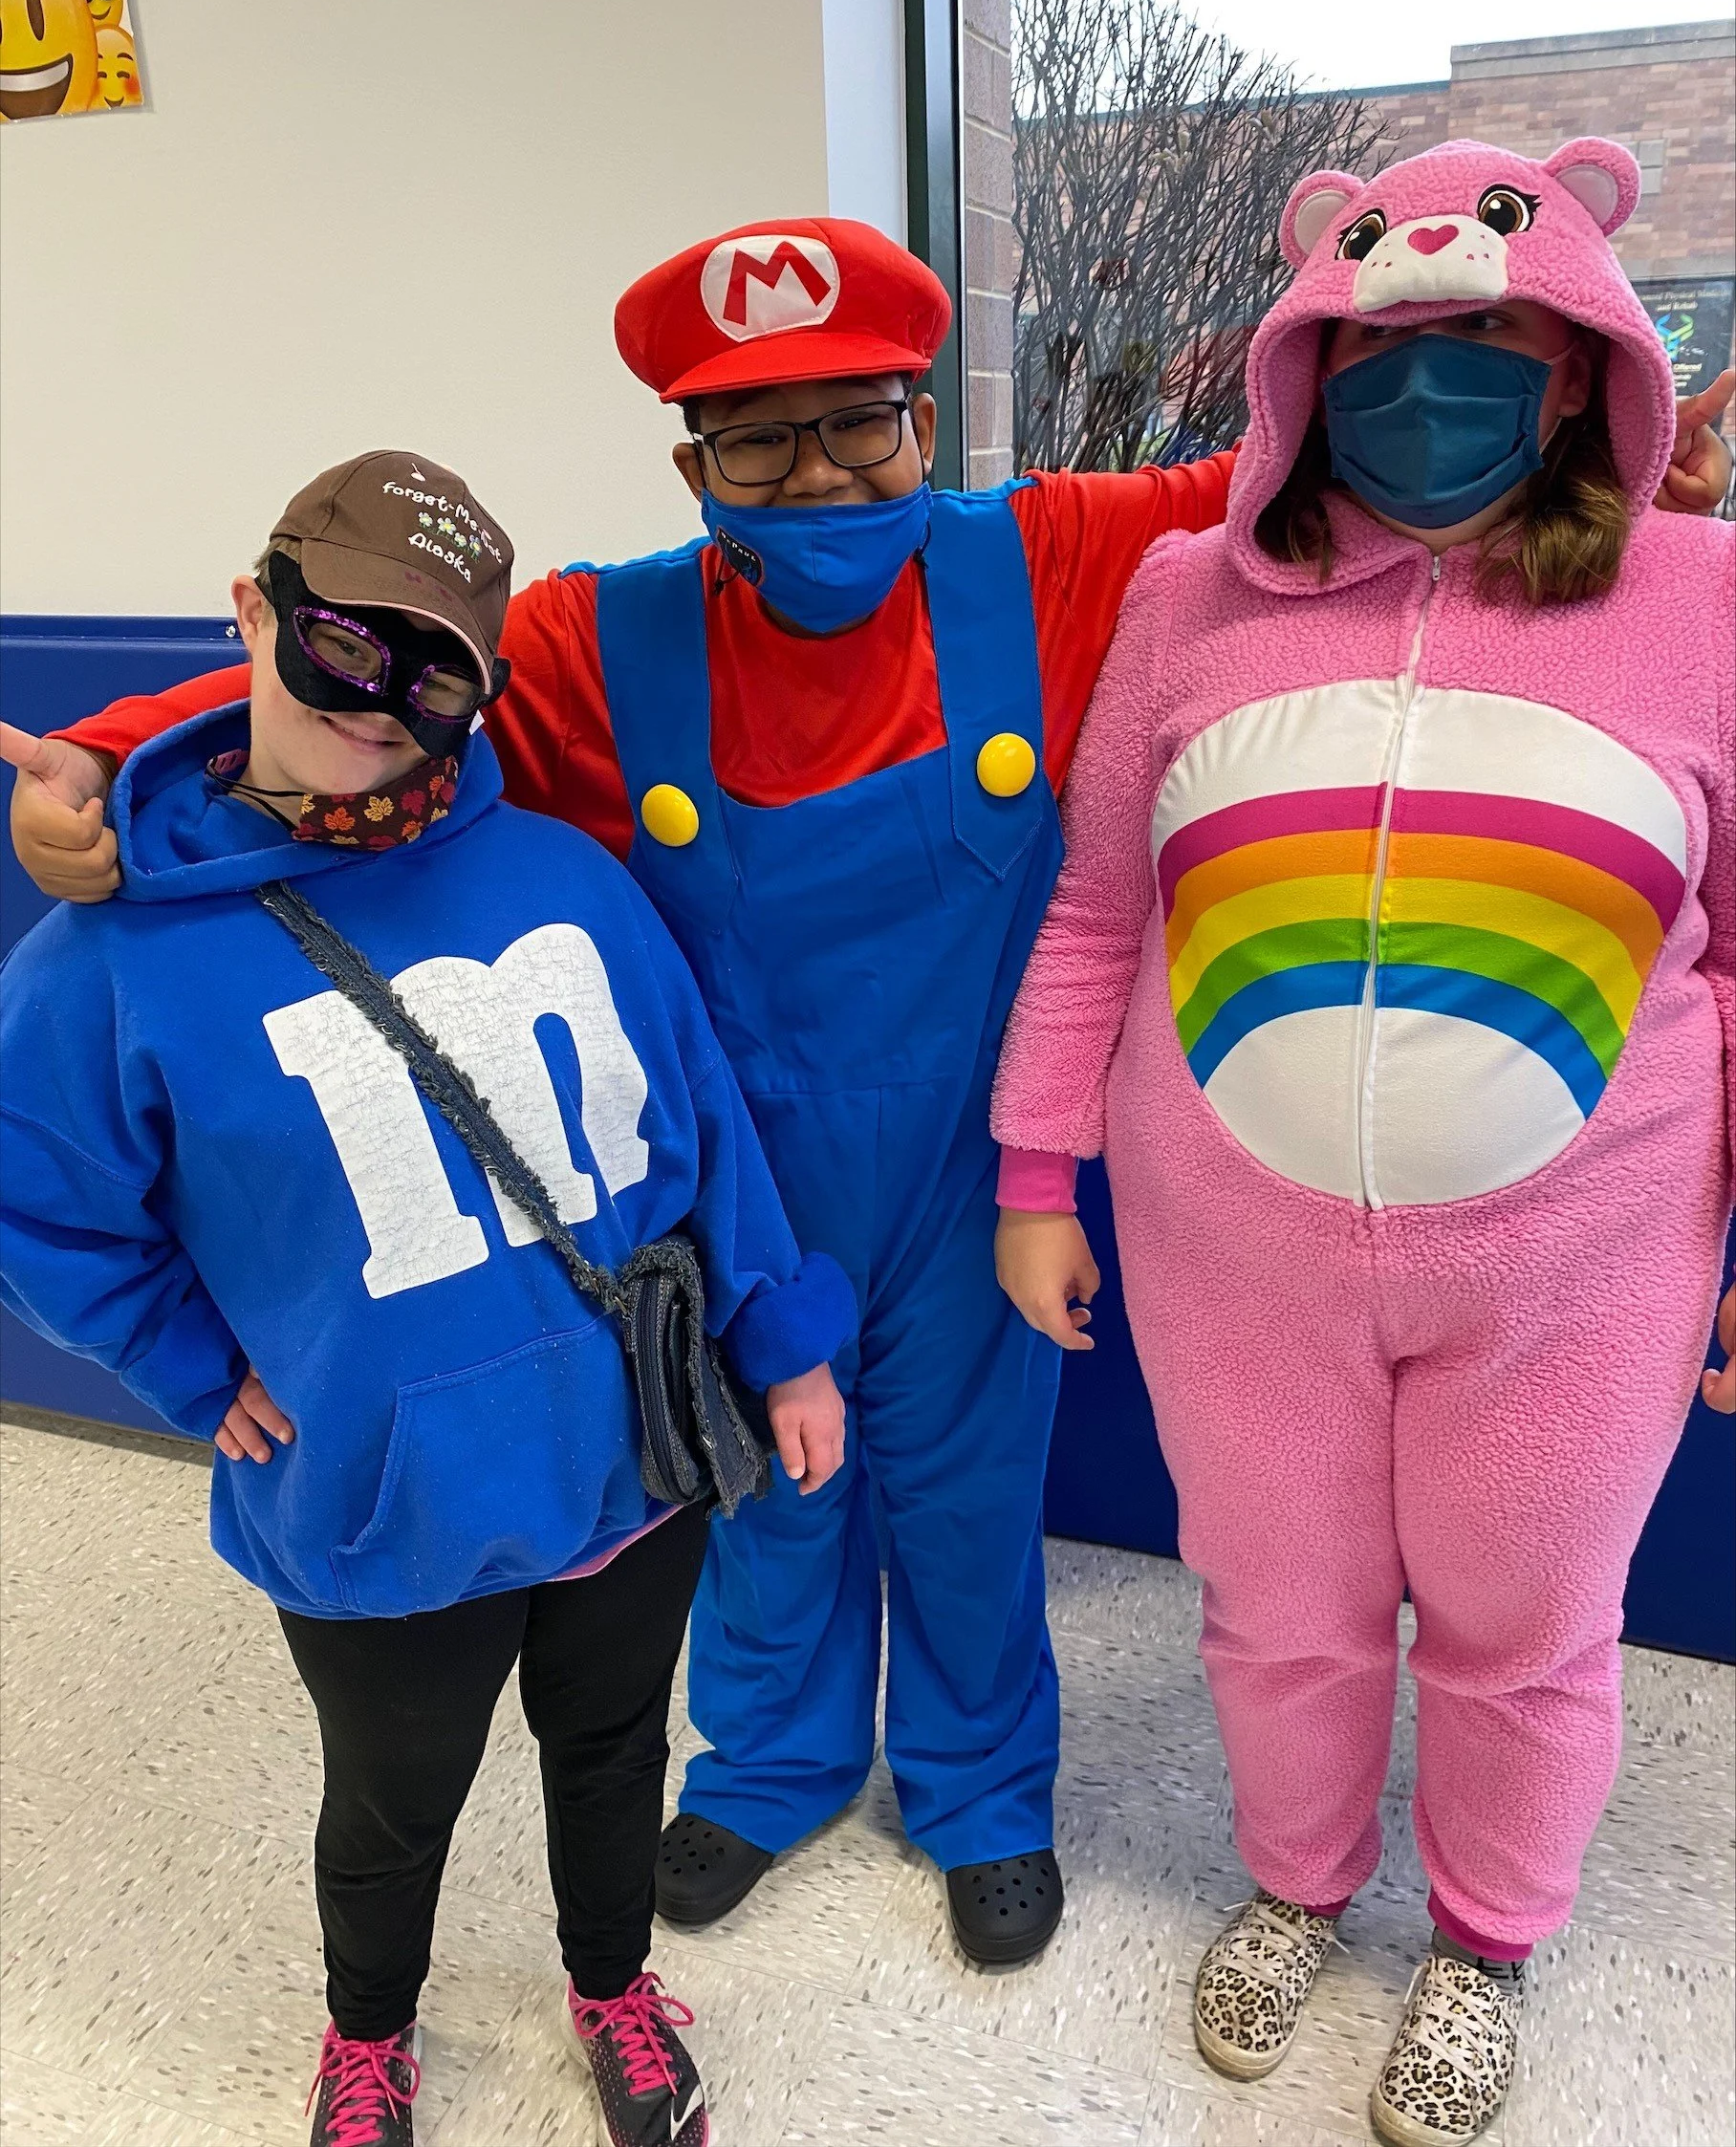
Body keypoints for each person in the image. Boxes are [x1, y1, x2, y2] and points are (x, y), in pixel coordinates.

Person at [4, 219, 1726, 1970]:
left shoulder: (1057, 553)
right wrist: (112, 751)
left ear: (926, 421)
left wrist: (1605, 465)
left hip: (975, 1164)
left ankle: (981, 1788)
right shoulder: (599, 633)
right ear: (692, 465)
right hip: (737, 1169)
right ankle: (772, 1761)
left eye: (861, 426)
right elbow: (369, 658)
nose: (820, 477)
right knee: (763, 1487)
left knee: (972, 1489)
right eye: (759, 442)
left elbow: (1322, 468)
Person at [989, 139, 1735, 2147]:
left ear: (1577, 365)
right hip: (1234, 1241)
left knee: (1525, 1623)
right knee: (1274, 1603)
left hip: (1584, 1254)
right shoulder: (1186, 592)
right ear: (1306, 362)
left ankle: (1486, 1940)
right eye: (1381, 342)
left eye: (1489, 332)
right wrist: (1034, 1174)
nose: (1428, 378)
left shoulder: (1703, 597)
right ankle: (1298, 1884)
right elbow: (1097, 910)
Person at [0, 451, 855, 2147]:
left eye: (434, 677)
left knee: (612, 1751)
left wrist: (784, 1343)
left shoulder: (570, 878)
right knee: (394, 1806)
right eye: (343, 644)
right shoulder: (104, 964)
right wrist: (186, 1365)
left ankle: (613, 1984)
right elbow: (43, 1203)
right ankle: (369, 2034)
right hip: (377, 1494)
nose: (377, 707)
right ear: (253, 613)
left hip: (627, 1453)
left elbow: (695, 1124)